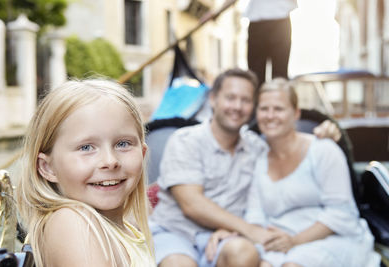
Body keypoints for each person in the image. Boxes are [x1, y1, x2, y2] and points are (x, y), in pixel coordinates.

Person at [149, 68, 342, 267]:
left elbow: (291, 148)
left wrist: (325, 135)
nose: (237, 106)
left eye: (246, 100)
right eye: (230, 98)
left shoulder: (258, 148)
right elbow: (192, 205)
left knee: (244, 253)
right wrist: (249, 230)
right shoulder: (185, 141)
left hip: (227, 236)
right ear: (213, 99)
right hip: (176, 233)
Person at [16, 79, 155, 267]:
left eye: (123, 144)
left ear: (142, 153)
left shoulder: (126, 229)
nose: (110, 161)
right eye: (86, 147)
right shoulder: (73, 224)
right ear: (48, 168)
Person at [241, 78, 379, 267]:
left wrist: (294, 241)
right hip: (278, 240)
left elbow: (340, 213)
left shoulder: (323, 150)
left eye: (279, 109)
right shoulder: (256, 155)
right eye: (264, 109)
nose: (270, 115)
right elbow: (255, 213)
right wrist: (268, 239)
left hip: (330, 238)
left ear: (296, 113)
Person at [244, 0, 297, 85]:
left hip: (280, 20)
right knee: (256, 76)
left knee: (279, 77)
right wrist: (217, 13)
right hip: (259, 20)